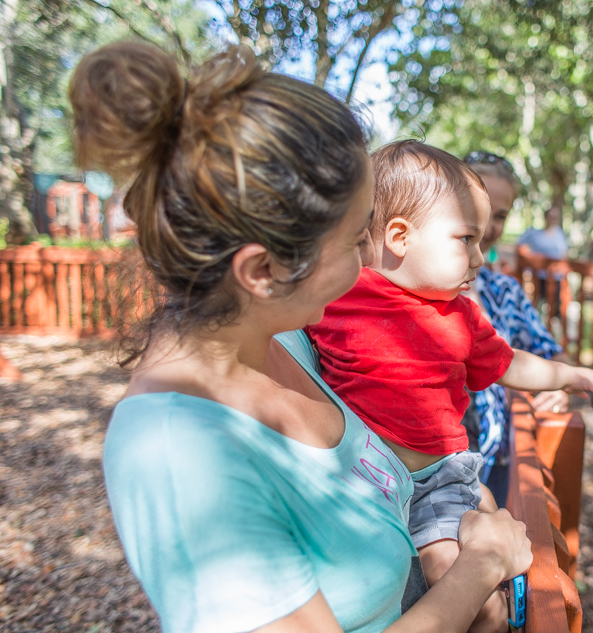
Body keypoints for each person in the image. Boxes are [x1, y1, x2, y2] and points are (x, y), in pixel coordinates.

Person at [72, 43, 532, 633]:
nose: (369, 267)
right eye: (352, 244)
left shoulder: (284, 343)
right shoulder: (179, 455)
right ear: (263, 271)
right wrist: (480, 570)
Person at [307, 141, 593, 627]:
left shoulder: (462, 316)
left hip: (436, 483)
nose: (480, 255)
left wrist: (571, 375)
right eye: (465, 239)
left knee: (467, 593)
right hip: (363, 480)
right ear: (400, 236)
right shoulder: (335, 296)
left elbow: (512, 364)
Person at [462, 151, 572, 506]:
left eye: (499, 215)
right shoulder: (413, 289)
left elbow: (551, 351)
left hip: (492, 462)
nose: (486, 226)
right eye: (477, 209)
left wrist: (562, 383)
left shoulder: (504, 291)